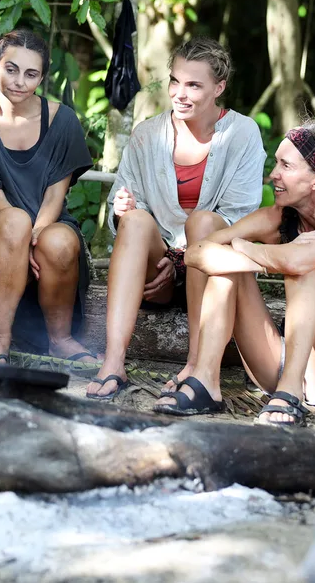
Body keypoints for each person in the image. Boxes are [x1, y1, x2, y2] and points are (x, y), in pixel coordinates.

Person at [86, 38, 265, 400]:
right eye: (175, 81)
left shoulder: (242, 133)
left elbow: (237, 219)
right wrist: (121, 210)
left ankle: (197, 365)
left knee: (203, 221)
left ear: (219, 87)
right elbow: (120, 214)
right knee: (135, 221)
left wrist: (180, 258)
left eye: (194, 85)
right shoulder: (147, 135)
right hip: (157, 276)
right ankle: (113, 362)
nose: (179, 94)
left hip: (214, 272)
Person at [154, 122, 315, 425]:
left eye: (285, 165)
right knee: (230, 264)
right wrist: (251, 257)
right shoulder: (277, 218)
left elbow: (298, 262)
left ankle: (290, 393)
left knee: (302, 265)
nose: (273, 174)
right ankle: (206, 380)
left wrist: (247, 249)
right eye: (276, 162)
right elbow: (195, 253)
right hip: (279, 358)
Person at [0, 29, 94, 366]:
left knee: (60, 241)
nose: (19, 81)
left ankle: (61, 340)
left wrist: (33, 238)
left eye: (31, 74)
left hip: (48, 227)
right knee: (13, 221)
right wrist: (20, 237)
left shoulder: (62, 120)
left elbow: (54, 197)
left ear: (42, 77)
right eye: (11, 69)